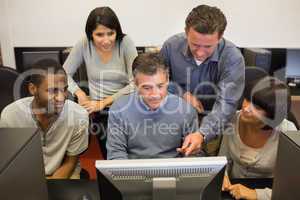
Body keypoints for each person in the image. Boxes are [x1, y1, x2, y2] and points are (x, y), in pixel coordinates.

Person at [160, 4, 245, 148]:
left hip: (213, 122)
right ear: (186, 32)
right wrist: (181, 94)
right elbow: (159, 82)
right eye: (195, 44)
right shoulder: (170, 46)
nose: (200, 53)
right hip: (173, 118)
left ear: (220, 37)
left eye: (208, 47)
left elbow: (227, 104)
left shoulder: (232, 58)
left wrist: (202, 133)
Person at [63, 7, 138, 158]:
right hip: (100, 111)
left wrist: (104, 102)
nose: (106, 40)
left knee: (133, 153)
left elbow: (136, 83)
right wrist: (80, 93)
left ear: (117, 31)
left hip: (126, 104)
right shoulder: (84, 43)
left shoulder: (125, 42)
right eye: (99, 34)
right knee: (112, 154)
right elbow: (63, 74)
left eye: (111, 33)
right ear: (91, 34)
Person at [0, 59, 89, 179]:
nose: (61, 98)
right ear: (33, 89)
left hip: (64, 173)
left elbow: (70, 163)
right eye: (53, 91)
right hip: (26, 175)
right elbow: (12, 163)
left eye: (64, 89)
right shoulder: (11, 116)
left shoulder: (79, 116)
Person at [106, 53, 203, 160]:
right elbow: (116, 154)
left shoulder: (186, 110)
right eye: (147, 88)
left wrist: (190, 150)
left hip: (172, 170)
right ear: (135, 84)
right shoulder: (119, 109)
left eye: (160, 86)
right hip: (134, 171)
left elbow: (193, 155)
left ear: (167, 81)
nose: (155, 95)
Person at [219, 77, 297, 200]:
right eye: (247, 99)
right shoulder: (233, 119)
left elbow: (293, 187)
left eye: (258, 107)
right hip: (233, 191)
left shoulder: (289, 132)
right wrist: (221, 177)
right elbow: (223, 159)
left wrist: (257, 194)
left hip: (271, 193)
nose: (246, 108)